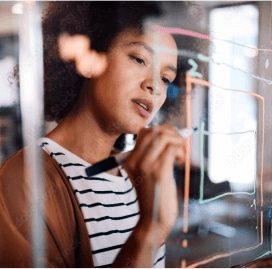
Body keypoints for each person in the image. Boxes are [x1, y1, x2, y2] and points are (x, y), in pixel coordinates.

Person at [0, 1, 186, 268]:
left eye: (166, 78)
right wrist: (151, 229)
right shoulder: (21, 182)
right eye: (139, 59)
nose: (155, 86)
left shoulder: (138, 176)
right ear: (89, 59)